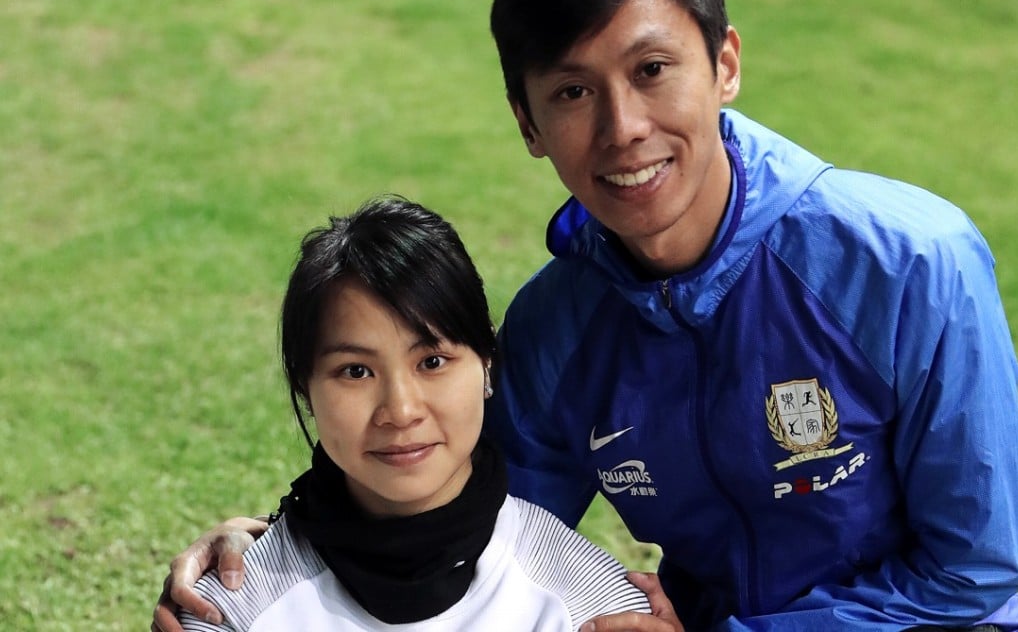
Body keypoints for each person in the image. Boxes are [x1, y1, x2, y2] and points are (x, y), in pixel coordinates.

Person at [154, 0, 1018, 630]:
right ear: (527, 123)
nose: (623, 128)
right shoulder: (554, 329)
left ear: (724, 63)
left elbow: (978, 571)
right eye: (572, 91)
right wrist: (271, 553)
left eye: (652, 69)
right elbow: (463, 514)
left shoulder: (910, 263)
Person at [170, 196, 656, 631]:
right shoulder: (230, 608)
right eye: (356, 371)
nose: (400, 412)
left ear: (487, 363)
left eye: (432, 362)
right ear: (305, 387)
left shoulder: (592, 608)